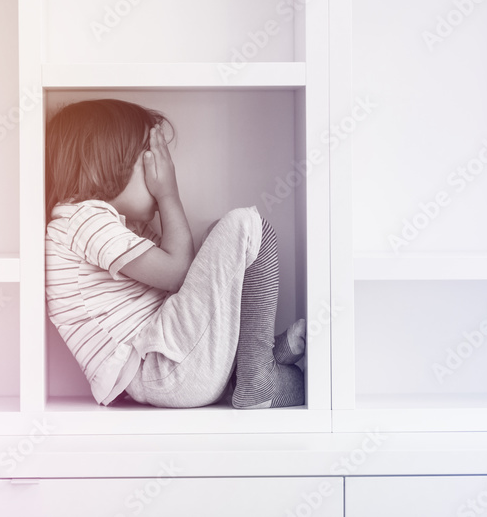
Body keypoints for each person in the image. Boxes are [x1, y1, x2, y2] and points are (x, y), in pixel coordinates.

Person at [45, 98, 306, 409]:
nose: (161, 175)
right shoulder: (82, 220)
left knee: (219, 240)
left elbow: (190, 277)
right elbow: (180, 273)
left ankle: (254, 368)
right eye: (152, 162)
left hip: (167, 370)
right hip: (164, 369)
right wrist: (169, 193)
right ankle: (257, 369)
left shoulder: (108, 228)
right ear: (97, 168)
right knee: (245, 227)